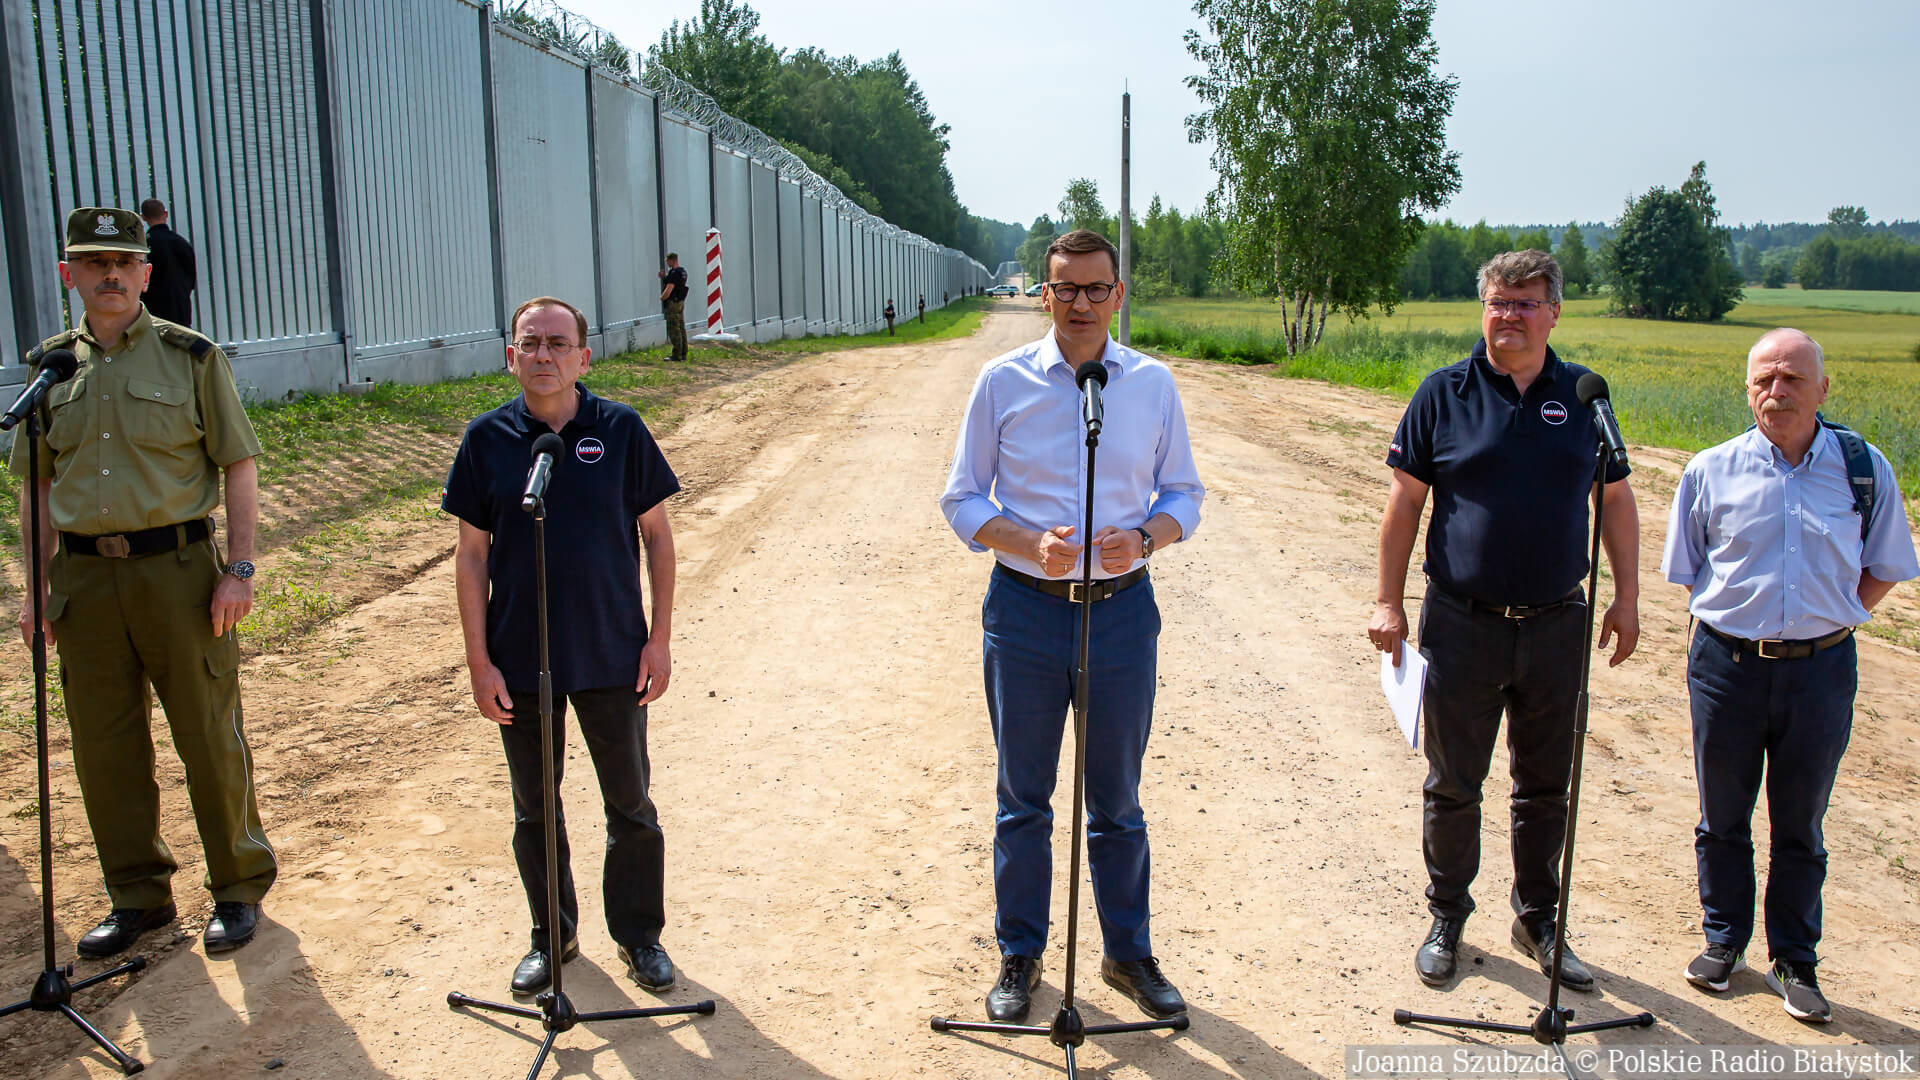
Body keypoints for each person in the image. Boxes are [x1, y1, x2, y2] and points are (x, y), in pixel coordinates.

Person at [940, 228, 1203, 1024]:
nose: (1081, 303)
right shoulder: (1003, 381)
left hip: (1123, 615)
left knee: (1116, 799)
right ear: (1043, 294)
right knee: (1024, 797)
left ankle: (1127, 954)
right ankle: (1020, 956)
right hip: (1024, 613)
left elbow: (1184, 494)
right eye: (1066, 289)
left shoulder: (1152, 384)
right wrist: (1029, 543)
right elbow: (962, 498)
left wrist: (1146, 538)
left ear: (1118, 295)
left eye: (1096, 289)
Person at [1368, 250, 1640, 993]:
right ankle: (1447, 914)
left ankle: (1538, 918)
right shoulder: (1443, 393)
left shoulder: (1586, 396)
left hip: (1558, 623)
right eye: (1497, 301)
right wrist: (1388, 601)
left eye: (1524, 303)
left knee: (1545, 783)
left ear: (1554, 312)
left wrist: (1629, 595)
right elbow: (1404, 507)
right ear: (1482, 308)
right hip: (1462, 621)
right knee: (1454, 780)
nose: (1508, 316)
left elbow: (1614, 501)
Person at [11, 206, 272, 958]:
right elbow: (34, 490)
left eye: (123, 263)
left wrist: (240, 571)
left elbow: (239, 464)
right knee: (104, 744)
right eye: (94, 264)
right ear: (71, 276)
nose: (111, 276)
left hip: (179, 573)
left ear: (147, 274)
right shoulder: (51, 368)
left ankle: (236, 883)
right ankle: (137, 895)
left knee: (207, 734)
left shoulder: (191, 358)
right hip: (85, 581)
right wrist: (35, 591)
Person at [1661, 328, 1917, 1023]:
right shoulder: (1709, 471)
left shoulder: (1864, 470)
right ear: (1747, 390)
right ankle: (1723, 943)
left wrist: (1831, 617)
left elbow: (1888, 565)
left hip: (1822, 670)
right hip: (1725, 666)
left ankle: (1795, 961)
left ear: (1823, 389)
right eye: (1763, 380)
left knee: (1800, 821)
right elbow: (1690, 572)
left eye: (1792, 379)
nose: (1776, 392)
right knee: (1722, 816)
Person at [443, 296, 682, 997]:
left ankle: (640, 938)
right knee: (534, 809)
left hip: (611, 650)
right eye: (530, 343)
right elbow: (471, 555)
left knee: (630, 805)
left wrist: (659, 640)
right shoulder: (486, 440)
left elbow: (659, 536)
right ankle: (554, 936)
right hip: (521, 657)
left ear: (584, 355)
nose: (543, 355)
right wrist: (479, 660)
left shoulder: (621, 430)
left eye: (558, 342)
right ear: (509, 355)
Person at [138, 197, 196, 326]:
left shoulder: (144, 246)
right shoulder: (183, 243)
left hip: (154, 313)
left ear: (143, 217)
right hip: (181, 311)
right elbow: (191, 281)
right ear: (166, 214)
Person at [657, 253, 690, 363]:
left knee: (673, 328)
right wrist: (664, 278)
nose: (667, 263)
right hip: (680, 302)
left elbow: (670, 287)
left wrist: (662, 297)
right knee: (681, 327)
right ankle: (683, 353)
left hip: (673, 303)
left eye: (668, 261)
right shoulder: (682, 272)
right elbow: (673, 282)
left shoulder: (674, 273)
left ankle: (676, 355)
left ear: (672, 260)